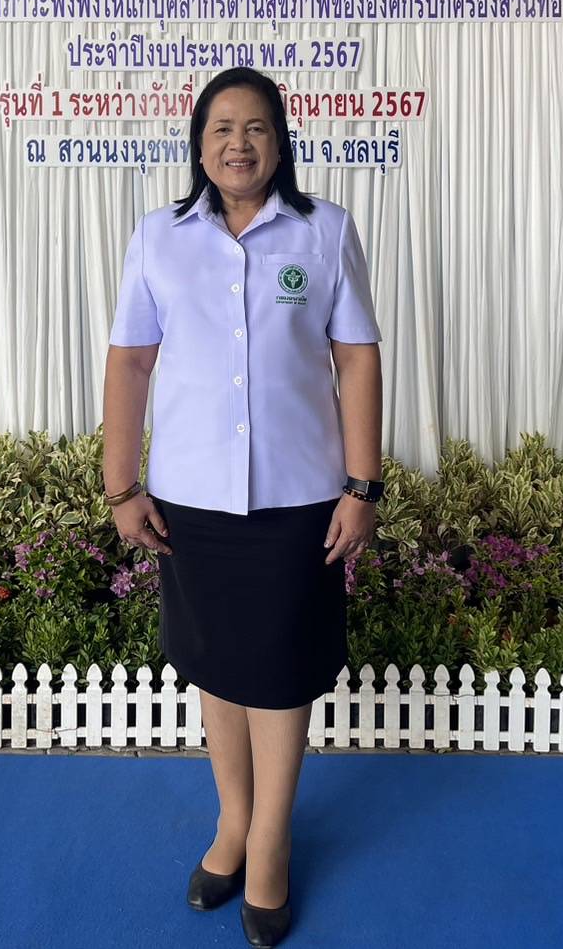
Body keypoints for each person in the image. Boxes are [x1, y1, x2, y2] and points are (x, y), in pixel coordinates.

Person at [101, 66, 384, 948]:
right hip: (190, 498)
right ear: (198, 145)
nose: (239, 143)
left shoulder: (324, 230)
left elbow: (357, 357)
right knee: (216, 664)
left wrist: (363, 483)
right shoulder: (159, 238)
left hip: (300, 496)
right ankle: (231, 818)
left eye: (257, 127)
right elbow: (130, 362)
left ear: (281, 142)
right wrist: (120, 484)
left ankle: (269, 841)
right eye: (222, 127)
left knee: (282, 669)